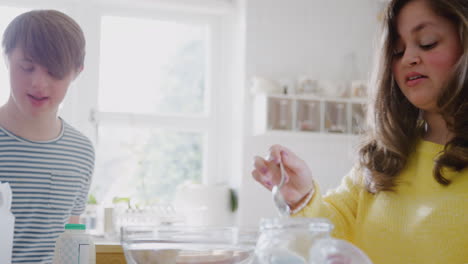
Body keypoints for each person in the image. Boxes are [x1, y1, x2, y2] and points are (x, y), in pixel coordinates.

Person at [252, 0, 467, 263]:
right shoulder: (384, 159)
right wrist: (302, 198)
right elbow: (332, 236)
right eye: (397, 51)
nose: (409, 58)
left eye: (428, 42)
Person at [0, 10, 94, 263]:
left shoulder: (81, 152)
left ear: (76, 72)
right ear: (7, 58)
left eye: (55, 72)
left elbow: (69, 243)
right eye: (27, 67)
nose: (39, 83)